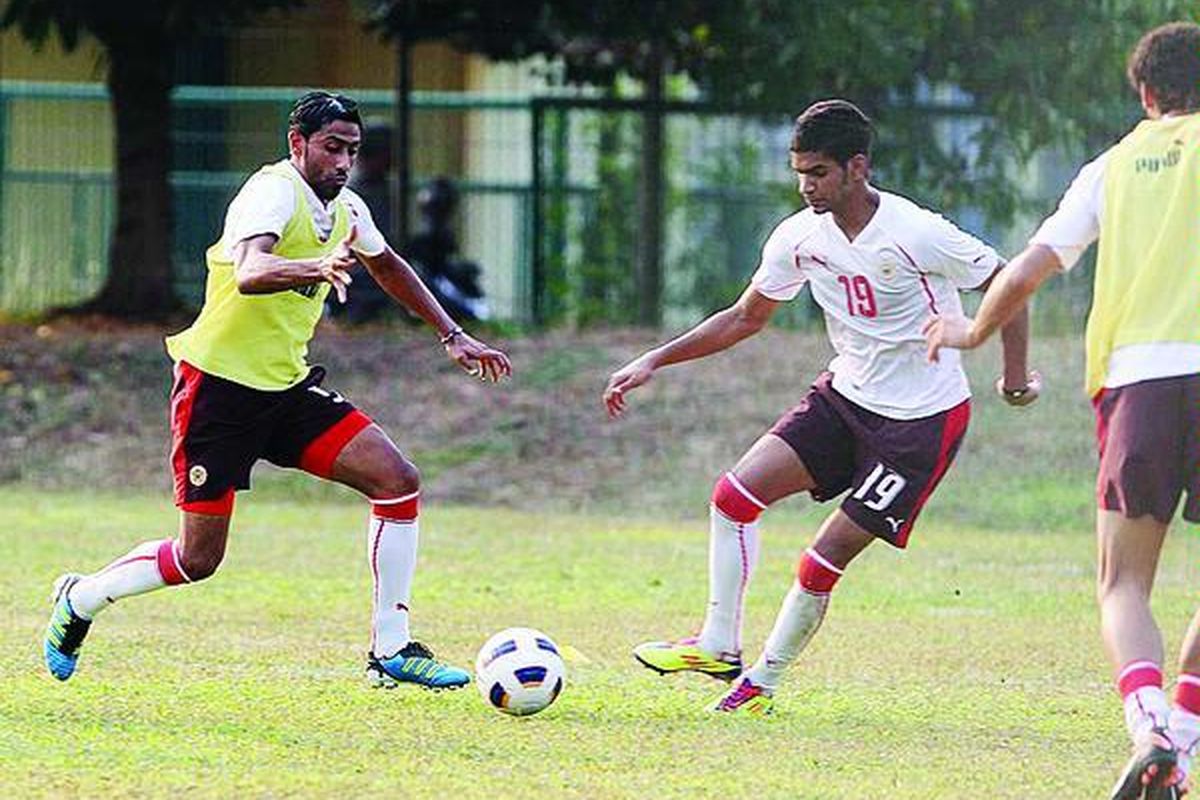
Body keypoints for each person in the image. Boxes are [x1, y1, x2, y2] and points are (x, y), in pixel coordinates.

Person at [43, 91, 512, 691]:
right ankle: (81, 599)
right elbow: (252, 271)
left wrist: (453, 334)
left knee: (398, 480)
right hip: (216, 390)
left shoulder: (347, 209)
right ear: (299, 144)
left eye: (352, 150)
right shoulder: (271, 192)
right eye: (332, 148)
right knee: (197, 560)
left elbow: (388, 263)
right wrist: (315, 268)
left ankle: (391, 649)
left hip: (285, 390)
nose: (344, 162)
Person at [602, 99, 1037, 715]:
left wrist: (1014, 379)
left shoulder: (917, 232)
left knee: (821, 559)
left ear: (857, 168)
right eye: (799, 172)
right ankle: (718, 645)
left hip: (920, 422)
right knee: (733, 497)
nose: (806, 186)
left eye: (819, 173)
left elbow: (1010, 284)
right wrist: (654, 359)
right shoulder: (799, 237)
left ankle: (762, 684)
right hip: (844, 398)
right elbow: (746, 316)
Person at [924, 21, 1200, 800]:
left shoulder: (1110, 169)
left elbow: (1028, 269)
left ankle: (1152, 727)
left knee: (1123, 584)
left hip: (1141, 381)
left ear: (1146, 95)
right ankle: (1179, 740)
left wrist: (970, 331)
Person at [405, 177, 490, 322]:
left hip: (440, 276)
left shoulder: (443, 232)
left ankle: (467, 313)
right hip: (430, 279)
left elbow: (445, 260)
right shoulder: (425, 234)